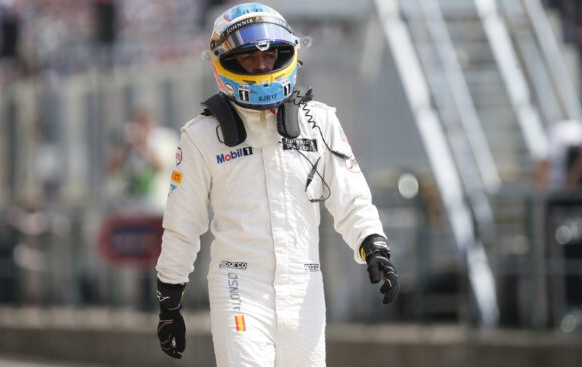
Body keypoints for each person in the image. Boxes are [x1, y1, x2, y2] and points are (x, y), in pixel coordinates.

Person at [154, 3, 399, 366]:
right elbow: (183, 225)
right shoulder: (201, 136)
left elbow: (352, 198)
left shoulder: (320, 121)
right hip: (238, 285)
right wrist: (169, 300)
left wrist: (374, 245)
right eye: (249, 58)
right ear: (225, 61)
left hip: (305, 286)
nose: (263, 65)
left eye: (271, 56)